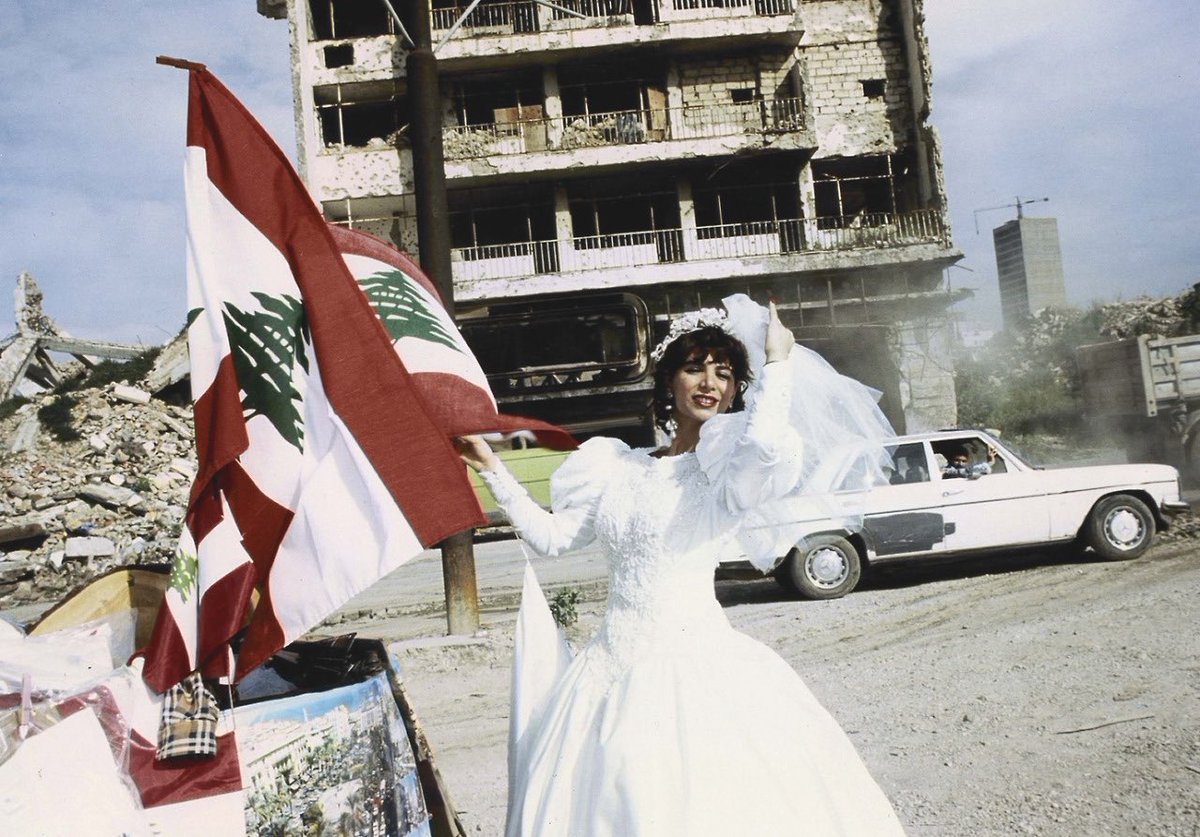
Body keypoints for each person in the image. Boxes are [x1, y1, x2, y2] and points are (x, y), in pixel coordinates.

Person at [456, 299, 906, 836]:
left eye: (724, 373)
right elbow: (553, 538)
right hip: (605, 664)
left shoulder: (726, 474)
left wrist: (778, 361)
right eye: (695, 367)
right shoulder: (617, 465)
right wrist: (491, 467)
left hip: (691, 662)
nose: (709, 382)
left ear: (739, 389)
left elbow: (764, 443)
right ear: (669, 380)